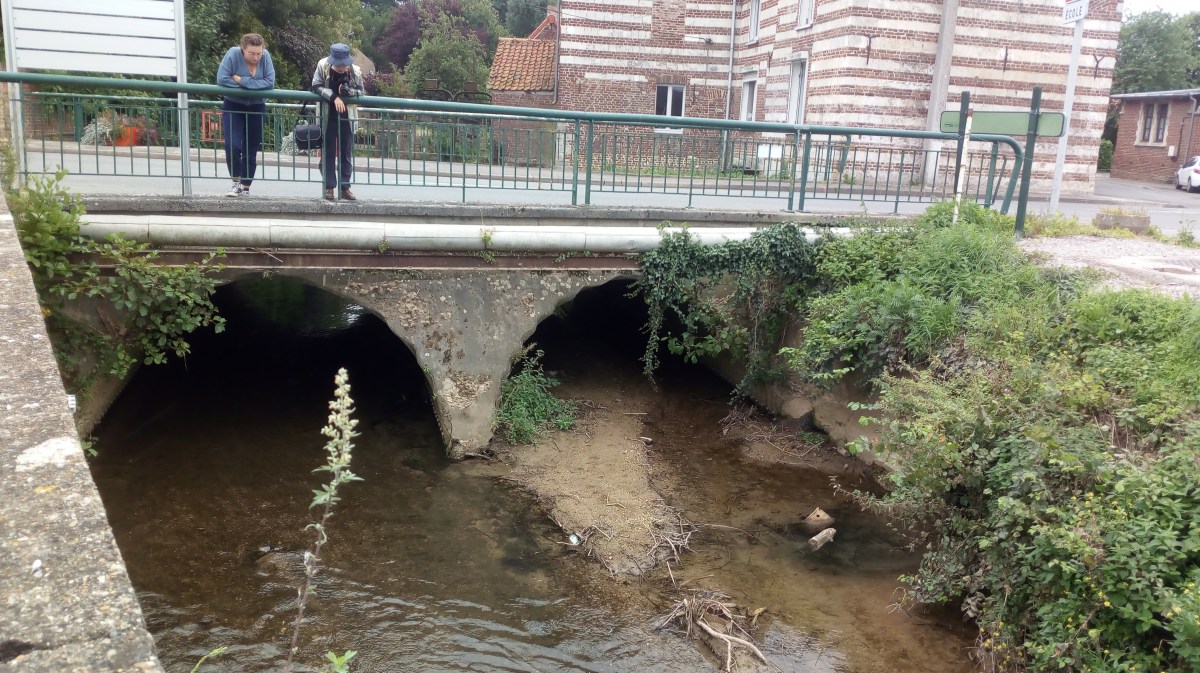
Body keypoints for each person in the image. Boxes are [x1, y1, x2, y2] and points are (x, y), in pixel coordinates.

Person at [216, 33, 276, 197]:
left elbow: (269, 82)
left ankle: (246, 186)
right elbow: (222, 80)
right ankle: (236, 182)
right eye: (252, 53)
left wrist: (241, 81)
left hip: (257, 107)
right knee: (232, 145)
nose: (256, 57)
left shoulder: (266, 57)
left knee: (251, 149)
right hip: (233, 105)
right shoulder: (233, 54)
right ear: (243, 50)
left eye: (259, 53)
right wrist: (255, 86)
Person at [311, 43, 365, 201]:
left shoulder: (355, 71)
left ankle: (345, 186)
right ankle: (329, 187)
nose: (341, 67)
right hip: (328, 115)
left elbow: (362, 91)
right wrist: (334, 97)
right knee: (328, 151)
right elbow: (316, 85)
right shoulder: (322, 66)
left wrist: (350, 92)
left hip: (347, 116)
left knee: (346, 152)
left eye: (344, 64)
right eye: (338, 64)